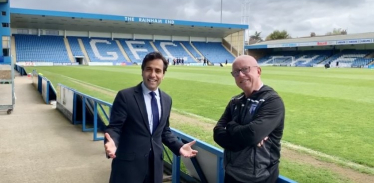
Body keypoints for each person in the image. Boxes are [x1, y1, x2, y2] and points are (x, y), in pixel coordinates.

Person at [105, 51, 198, 183]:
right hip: (128, 168)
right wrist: (112, 142)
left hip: (155, 168)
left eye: (158, 71)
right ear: (142, 71)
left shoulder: (167, 99)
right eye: (149, 69)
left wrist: (179, 147)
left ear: (163, 75)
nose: (153, 75)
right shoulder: (125, 96)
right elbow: (114, 128)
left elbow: (164, 131)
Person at [213, 55, 285, 183]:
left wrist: (231, 127)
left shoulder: (272, 101)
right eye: (236, 72)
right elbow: (217, 133)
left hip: (260, 178)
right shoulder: (235, 101)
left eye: (245, 69)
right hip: (230, 174)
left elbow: (251, 134)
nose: (240, 75)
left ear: (258, 71)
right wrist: (246, 138)